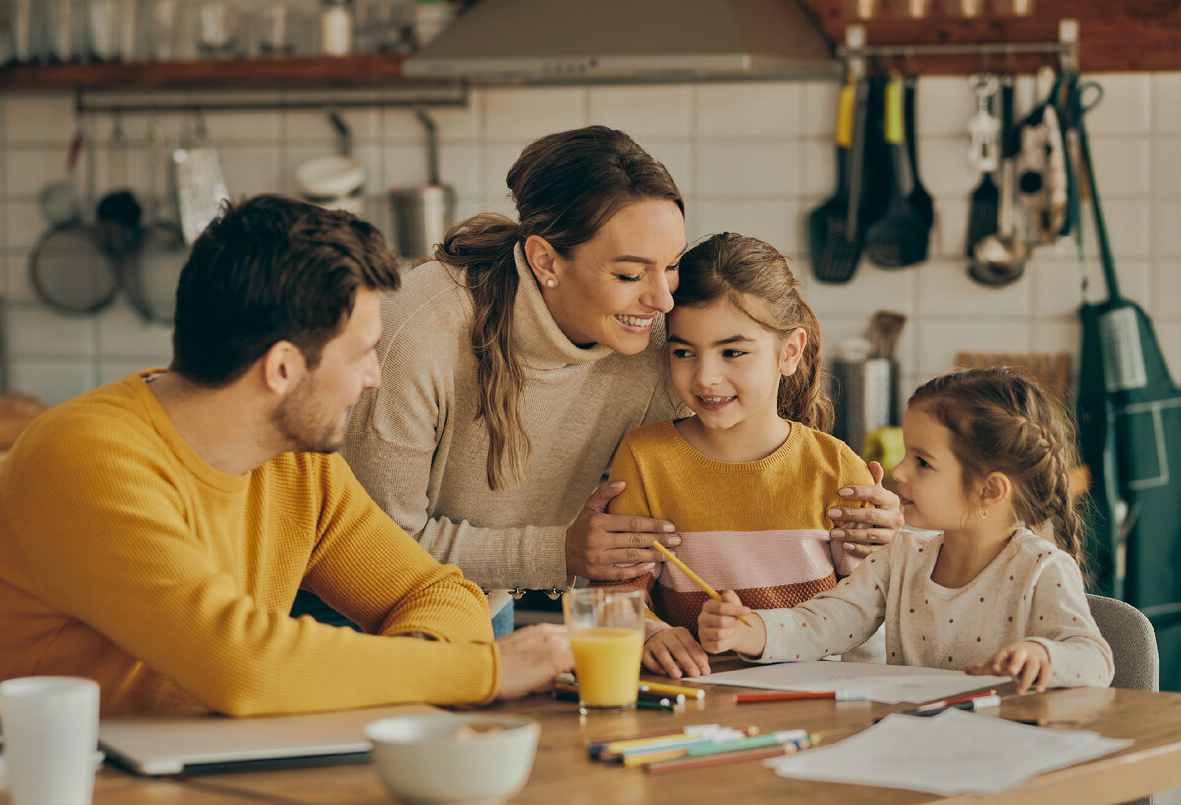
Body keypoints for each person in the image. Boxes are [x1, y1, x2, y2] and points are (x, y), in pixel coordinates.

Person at [0, 195, 572, 717]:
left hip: (220, 769)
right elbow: (244, 666)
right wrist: (486, 670)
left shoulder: (295, 458)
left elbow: (439, 594)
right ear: (283, 369)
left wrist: (413, 663)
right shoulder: (88, 460)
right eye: (362, 353)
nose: (373, 378)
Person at [340, 126, 904, 636]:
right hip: (343, 608)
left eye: (671, 265)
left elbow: (748, 485)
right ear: (545, 261)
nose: (662, 300)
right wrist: (558, 550)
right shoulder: (420, 333)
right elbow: (374, 544)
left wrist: (873, 527)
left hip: (473, 604)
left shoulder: (665, 344)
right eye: (631, 274)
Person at [698, 367, 1114, 694]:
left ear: (990, 490)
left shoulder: (1041, 568)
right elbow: (827, 621)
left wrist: (1043, 655)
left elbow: (1094, 658)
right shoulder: (901, 557)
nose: (899, 471)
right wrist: (749, 631)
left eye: (923, 462)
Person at [591, 233, 883, 679]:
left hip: (816, 702)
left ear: (789, 352)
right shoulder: (645, 457)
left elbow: (871, 607)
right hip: (690, 701)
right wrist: (650, 633)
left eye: (733, 352)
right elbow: (615, 591)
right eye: (684, 352)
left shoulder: (837, 468)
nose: (706, 377)